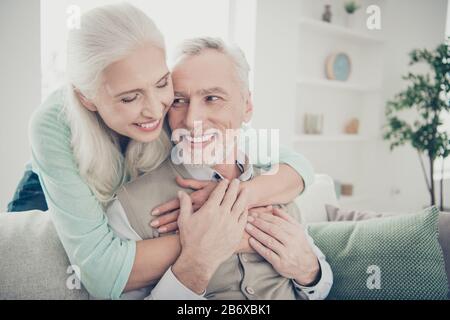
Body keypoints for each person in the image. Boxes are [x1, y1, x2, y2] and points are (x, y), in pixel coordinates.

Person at [16, 3, 315, 299]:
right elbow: (102, 272)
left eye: (162, 84)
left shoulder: (175, 109)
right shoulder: (53, 124)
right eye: (130, 97)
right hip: (50, 190)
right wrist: (226, 234)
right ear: (88, 99)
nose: (154, 110)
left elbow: (295, 164)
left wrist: (236, 198)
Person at [106, 37, 333, 300]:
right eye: (179, 101)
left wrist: (310, 271)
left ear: (247, 106)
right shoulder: (129, 206)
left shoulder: (276, 183)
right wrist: (196, 264)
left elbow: (319, 285)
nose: (191, 120)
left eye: (212, 98)